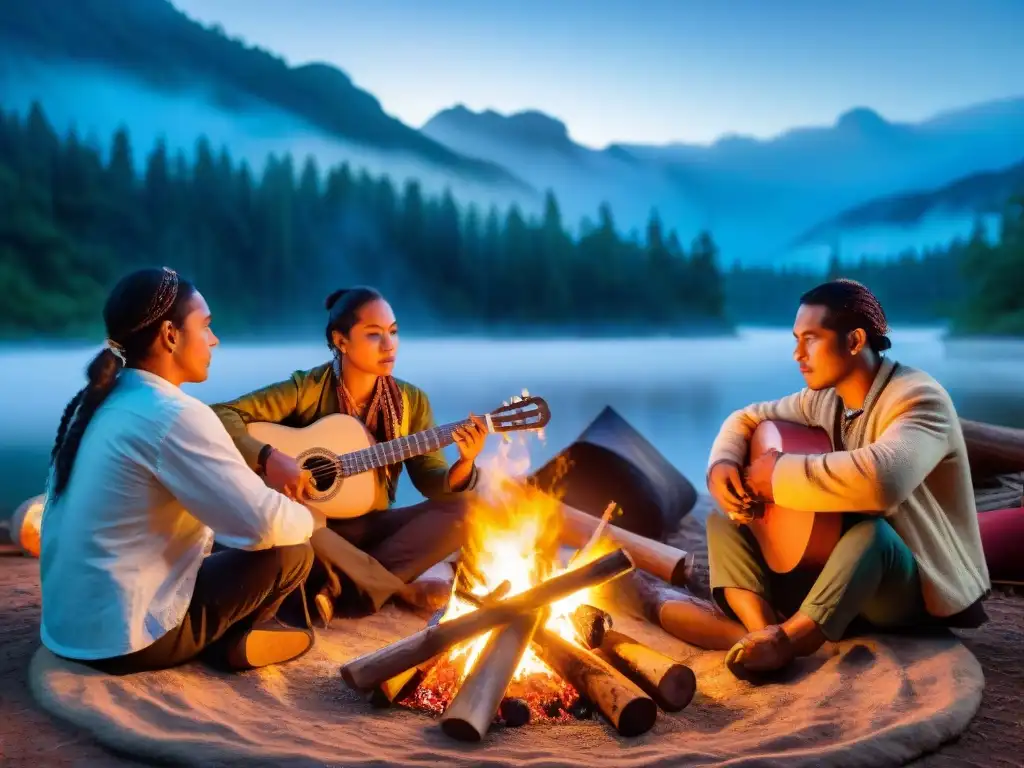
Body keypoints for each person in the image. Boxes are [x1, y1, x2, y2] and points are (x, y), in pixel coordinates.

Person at [613, 279, 991, 677]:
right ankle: (763, 633)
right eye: (796, 339)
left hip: (906, 585)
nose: (798, 354)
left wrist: (775, 475)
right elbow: (747, 417)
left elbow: (884, 482)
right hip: (832, 572)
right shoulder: (825, 399)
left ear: (855, 340)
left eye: (811, 339)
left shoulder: (919, 398)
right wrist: (724, 464)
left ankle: (792, 641)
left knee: (872, 536)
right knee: (725, 518)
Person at [39, 267, 318, 676]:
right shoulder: (174, 414)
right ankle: (234, 642)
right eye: (205, 326)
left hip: (68, 628)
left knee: (230, 532)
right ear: (170, 334)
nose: (214, 339)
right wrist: (307, 515)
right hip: (125, 642)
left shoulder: (98, 401)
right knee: (293, 550)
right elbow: (268, 525)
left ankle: (242, 635)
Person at [211, 286, 489, 626]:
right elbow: (221, 415)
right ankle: (395, 590)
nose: (389, 345)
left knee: (468, 510)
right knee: (296, 521)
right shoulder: (307, 389)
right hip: (312, 531)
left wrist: (464, 463)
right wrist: (269, 457)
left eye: (394, 332)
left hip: (370, 528)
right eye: (374, 335)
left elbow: (432, 481)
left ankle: (340, 584)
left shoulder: (411, 402)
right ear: (341, 341)